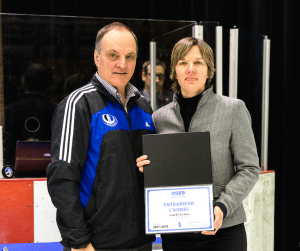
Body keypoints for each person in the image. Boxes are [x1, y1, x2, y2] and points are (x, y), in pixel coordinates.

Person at [136, 37, 261, 251]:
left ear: (209, 70)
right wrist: (146, 167)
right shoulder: (159, 117)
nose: (191, 69)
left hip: (224, 231)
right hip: (176, 233)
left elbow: (249, 168)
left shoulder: (233, 110)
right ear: (175, 71)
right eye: (183, 62)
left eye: (198, 62)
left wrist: (223, 206)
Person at [47, 22, 155, 251]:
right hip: (95, 246)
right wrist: (79, 241)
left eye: (130, 56)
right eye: (113, 55)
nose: (122, 64)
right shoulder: (79, 105)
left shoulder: (144, 108)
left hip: (141, 243)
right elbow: (61, 178)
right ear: (97, 58)